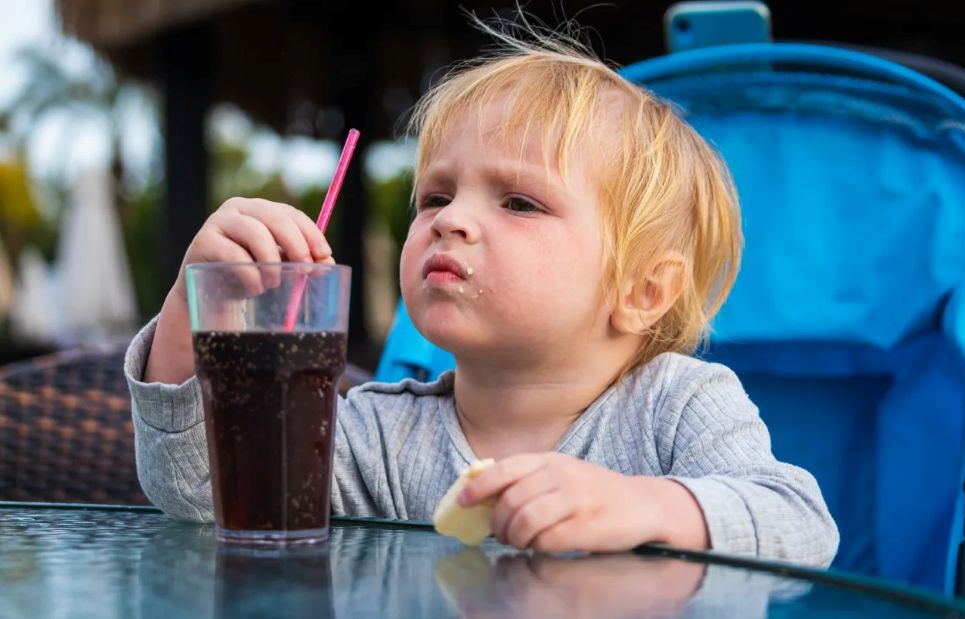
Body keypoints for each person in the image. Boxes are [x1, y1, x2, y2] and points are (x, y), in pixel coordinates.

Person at [125, 21, 838, 566]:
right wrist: (194, 314)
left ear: (643, 290)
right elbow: (199, 498)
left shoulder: (677, 405)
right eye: (435, 194)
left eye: (520, 203)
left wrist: (648, 505)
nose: (451, 219)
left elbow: (801, 523)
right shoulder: (379, 435)